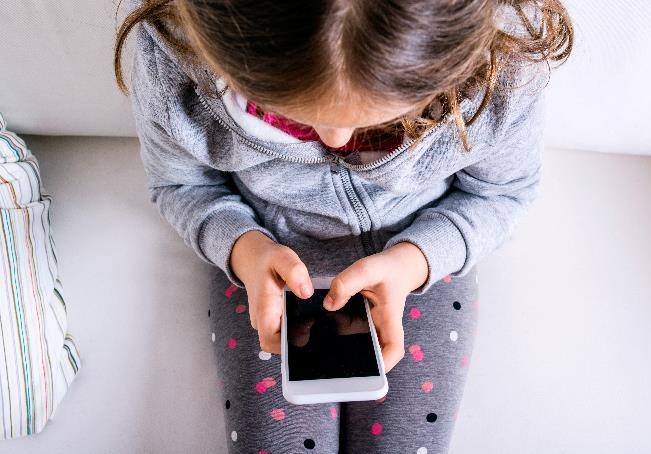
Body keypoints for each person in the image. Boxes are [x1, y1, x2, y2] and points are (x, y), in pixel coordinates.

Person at [114, 0, 573, 452]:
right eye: (292, 117)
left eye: (382, 124)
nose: (336, 140)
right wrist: (243, 248)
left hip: (423, 266)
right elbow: (180, 186)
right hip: (264, 266)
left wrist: (415, 261)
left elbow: (501, 194)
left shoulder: (504, 61)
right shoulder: (172, 56)